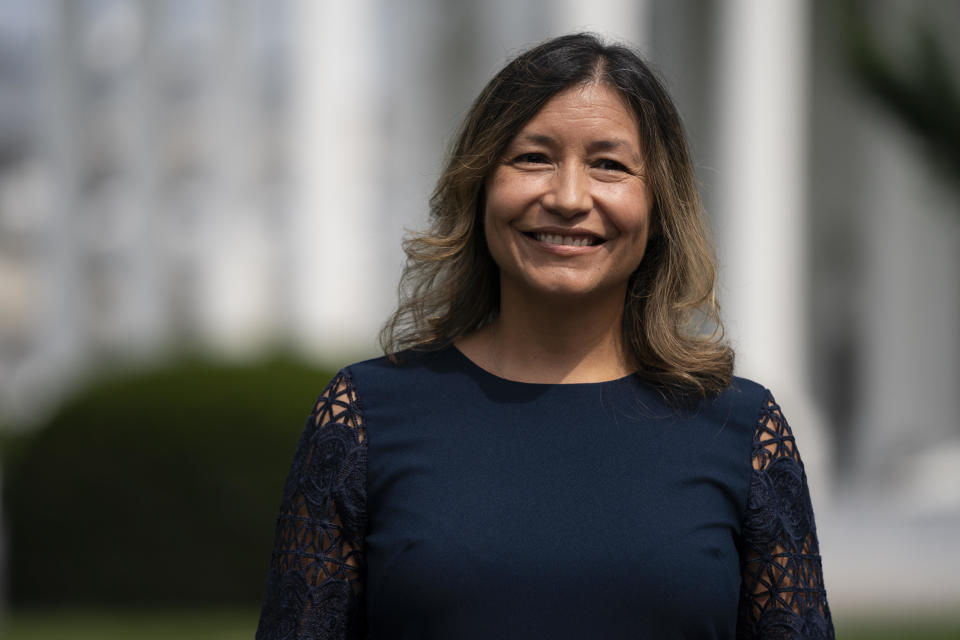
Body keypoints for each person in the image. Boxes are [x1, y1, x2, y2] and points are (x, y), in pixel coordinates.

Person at [255, 33, 834, 639]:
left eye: (609, 165)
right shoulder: (362, 418)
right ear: (480, 184)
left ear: (659, 204)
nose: (568, 198)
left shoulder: (742, 430)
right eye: (533, 158)